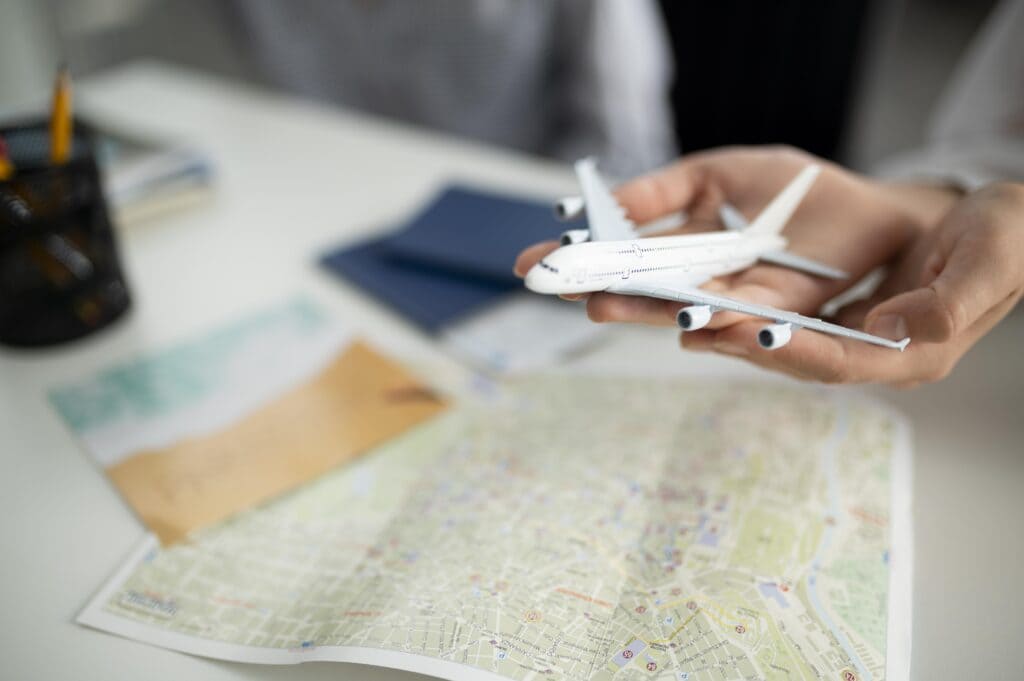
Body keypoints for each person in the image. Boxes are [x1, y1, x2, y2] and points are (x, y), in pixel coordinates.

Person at [514, 0, 1024, 387]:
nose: (551, 267)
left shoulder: (648, 274)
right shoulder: (604, 255)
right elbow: (998, 147)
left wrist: (700, 310)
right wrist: (933, 203)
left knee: (706, 319)